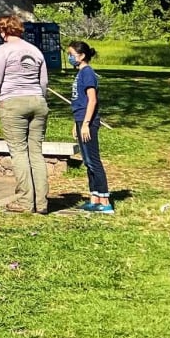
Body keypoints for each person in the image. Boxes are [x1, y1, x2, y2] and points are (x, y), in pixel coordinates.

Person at [0, 15, 50, 213]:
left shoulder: (2, 51)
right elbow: (43, 82)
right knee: (36, 153)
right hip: (38, 102)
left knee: (19, 152)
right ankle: (42, 203)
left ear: (2, 30)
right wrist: (39, 98)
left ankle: (25, 201)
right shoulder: (35, 51)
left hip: (12, 103)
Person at [68, 42, 112, 213]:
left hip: (89, 123)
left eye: (72, 54)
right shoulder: (80, 74)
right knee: (87, 161)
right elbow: (81, 102)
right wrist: (77, 123)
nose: (70, 58)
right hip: (80, 120)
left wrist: (86, 123)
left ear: (82, 55)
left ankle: (105, 201)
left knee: (94, 160)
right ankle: (94, 198)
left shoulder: (88, 73)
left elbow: (92, 100)